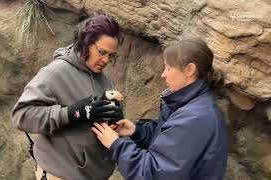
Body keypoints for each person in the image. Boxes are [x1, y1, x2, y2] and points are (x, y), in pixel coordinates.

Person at [92, 38, 229, 180]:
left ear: (190, 69)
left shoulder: (196, 118)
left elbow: (154, 173)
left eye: (168, 68)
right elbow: (167, 138)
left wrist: (116, 145)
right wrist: (137, 132)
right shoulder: (189, 103)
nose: (163, 74)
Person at [11, 14, 123, 180]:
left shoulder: (102, 78)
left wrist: (114, 118)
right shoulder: (56, 72)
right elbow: (21, 116)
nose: (106, 60)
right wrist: (71, 113)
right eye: (101, 52)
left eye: (111, 55)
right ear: (85, 43)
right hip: (61, 175)